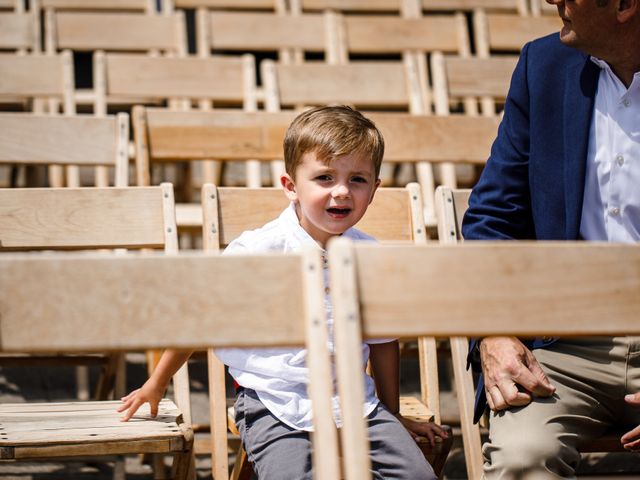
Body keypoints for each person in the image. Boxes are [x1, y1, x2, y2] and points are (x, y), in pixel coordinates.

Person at [118, 105, 447, 479]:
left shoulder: (370, 255)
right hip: (274, 403)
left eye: (357, 179)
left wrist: (393, 413)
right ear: (291, 186)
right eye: (324, 178)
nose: (341, 191)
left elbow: (384, 340)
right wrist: (156, 383)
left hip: (357, 404)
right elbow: (200, 318)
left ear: (374, 190)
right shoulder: (259, 250)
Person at [461, 0, 640, 477]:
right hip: (562, 350)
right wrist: (494, 330)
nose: (549, 1)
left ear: (624, 5)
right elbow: (492, 216)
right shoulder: (543, 65)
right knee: (523, 461)